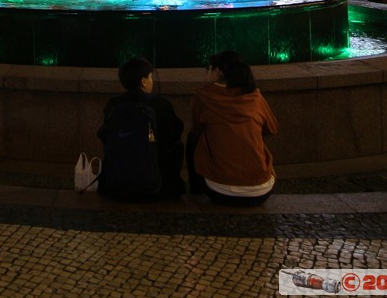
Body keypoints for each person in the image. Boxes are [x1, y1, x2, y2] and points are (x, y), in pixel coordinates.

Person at [187, 51, 278, 207]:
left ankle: (195, 189)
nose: (206, 72)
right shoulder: (254, 96)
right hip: (261, 191)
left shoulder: (204, 96)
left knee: (193, 138)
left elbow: (196, 129)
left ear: (217, 71)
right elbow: (272, 128)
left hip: (218, 191)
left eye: (208, 69)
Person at [96, 56, 184, 201]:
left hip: (115, 185)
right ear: (143, 81)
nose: (152, 81)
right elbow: (175, 133)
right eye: (150, 77)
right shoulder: (160, 104)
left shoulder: (113, 104)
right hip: (155, 187)